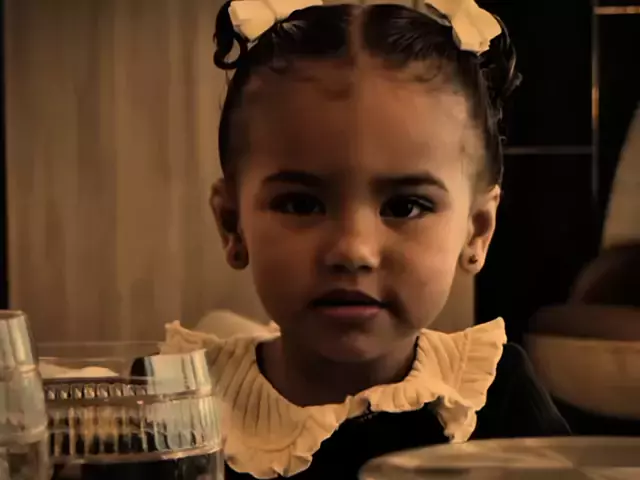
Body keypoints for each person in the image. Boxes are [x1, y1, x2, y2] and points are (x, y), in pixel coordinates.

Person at [161, 0, 571, 478]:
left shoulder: (496, 399)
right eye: (301, 204)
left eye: (405, 207)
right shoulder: (177, 399)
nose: (353, 250)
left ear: (476, 230)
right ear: (233, 224)